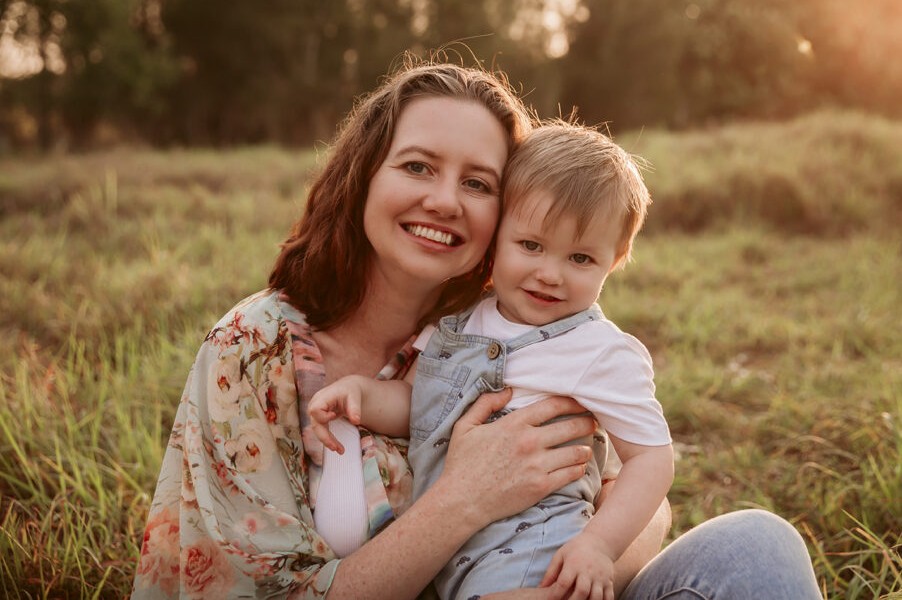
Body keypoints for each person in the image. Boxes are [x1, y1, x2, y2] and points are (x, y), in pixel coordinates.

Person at [132, 58, 823, 599]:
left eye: (478, 182)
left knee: (757, 546)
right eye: (418, 166)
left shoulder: (504, 327)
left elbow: (646, 499)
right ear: (364, 175)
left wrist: (564, 578)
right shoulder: (255, 350)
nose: (443, 199)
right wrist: (464, 498)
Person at [308, 123, 675, 600]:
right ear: (498, 233)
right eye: (531, 246)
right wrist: (360, 395)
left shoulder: (599, 350)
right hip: (454, 564)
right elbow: (417, 405)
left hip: (540, 554)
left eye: (581, 258)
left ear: (617, 258)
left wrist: (598, 546)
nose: (550, 274)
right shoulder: (459, 323)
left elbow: (651, 459)